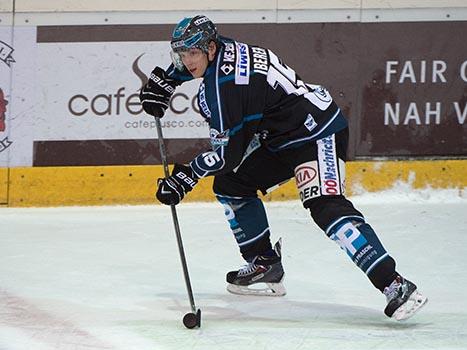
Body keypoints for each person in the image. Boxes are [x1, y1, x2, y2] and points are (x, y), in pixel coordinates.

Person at [139, 15, 428, 321]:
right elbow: (204, 73)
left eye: (192, 53)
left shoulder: (223, 91)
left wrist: (186, 176)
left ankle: (395, 283)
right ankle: (265, 264)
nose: (186, 60)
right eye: (181, 54)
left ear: (210, 48)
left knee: (325, 206)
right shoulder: (223, 50)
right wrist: (169, 80)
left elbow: (227, 156)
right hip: (281, 137)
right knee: (232, 186)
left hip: (316, 132)